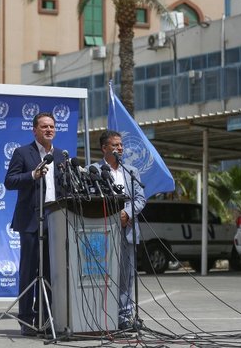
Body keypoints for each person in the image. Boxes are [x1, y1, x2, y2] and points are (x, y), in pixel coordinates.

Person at [4, 112, 65, 336]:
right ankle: (27, 321)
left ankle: (44, 318)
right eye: (44, 126)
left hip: (55, 221)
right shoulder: (22, 153)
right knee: (29, 272)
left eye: (52, 126)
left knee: (49, 273)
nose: (49, 130)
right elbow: (9, 181)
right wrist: (32, 175)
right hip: (30, 221)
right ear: (35, 130)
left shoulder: (61, 156)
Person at [95, 130, 146, 331]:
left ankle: (124, 317)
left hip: (127, 229)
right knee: (102, 275)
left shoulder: (132, 171)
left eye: (121, 145)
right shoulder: (94, 170)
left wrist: (127, 213)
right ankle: (101, 315)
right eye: (115, 145)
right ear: (104, 148)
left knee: (126, 276)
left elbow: (141, 199)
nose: (120, 148)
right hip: (101, 230)